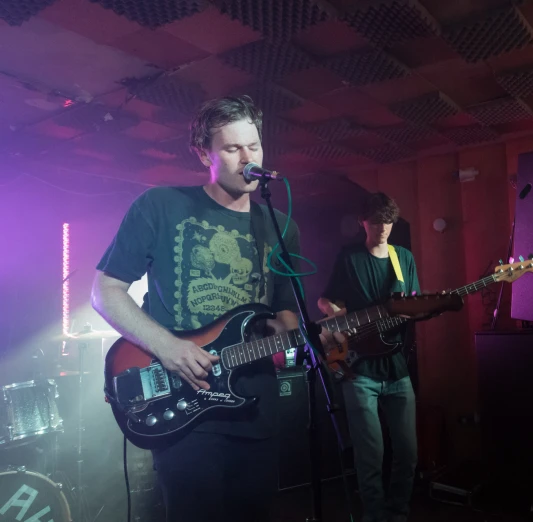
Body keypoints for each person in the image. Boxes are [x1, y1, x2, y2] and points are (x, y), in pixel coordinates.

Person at [92, 95, 342, 522]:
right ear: (202, 153)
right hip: (186, 403)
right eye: (232, 149)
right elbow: (105, 291)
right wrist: (168, 347)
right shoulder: (161, 205)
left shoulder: (281, 227)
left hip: (257, 407)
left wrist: (304, 335)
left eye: (255, 146)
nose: (248, 158)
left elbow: (283, 310)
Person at [317, 193, 420, 522]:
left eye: (388, 222)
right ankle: (374, 517)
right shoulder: (349, 258)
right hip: (359, 368)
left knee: (408, 453)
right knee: (370, 455)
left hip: (397, 367)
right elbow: (325, 301)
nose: (383, 228)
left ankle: (398, 513)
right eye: (376, 222)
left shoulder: (402, 257)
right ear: (363, 222)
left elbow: (413, 306)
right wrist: (335, 312)